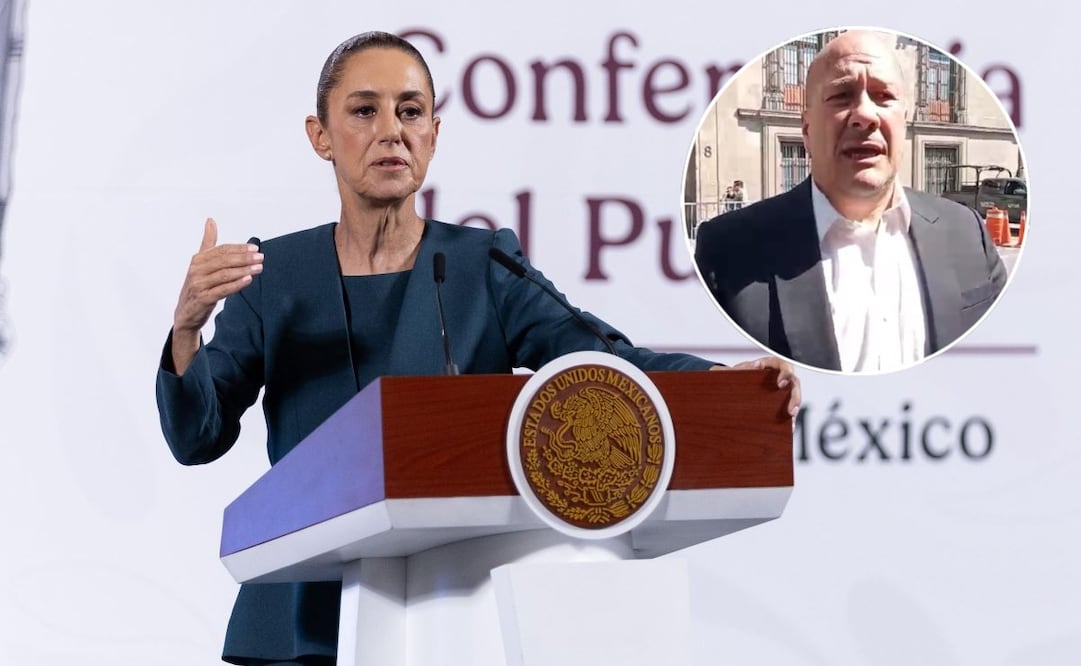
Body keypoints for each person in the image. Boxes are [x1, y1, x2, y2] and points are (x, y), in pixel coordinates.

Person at [155, 31, 801, 665]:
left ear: (432, 135)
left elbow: (598, 357)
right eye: (363, 110)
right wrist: (187, 329)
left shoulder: (479, 264)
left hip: (447, 610)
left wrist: (722, 383)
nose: (391, 130)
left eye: (410, 111)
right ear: (319, 135)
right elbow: (197, 436)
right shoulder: (275, 276)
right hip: (300, 614)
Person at [693, 30, 1007, 374]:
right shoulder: (726, 252)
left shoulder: (968, 234)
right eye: (842, 95)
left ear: (904, 120)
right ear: (807, 132)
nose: (865, 115)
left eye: (883, 96)